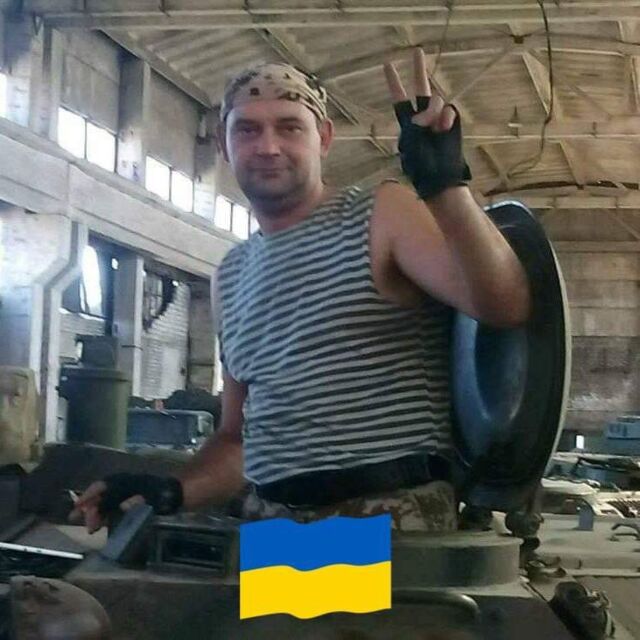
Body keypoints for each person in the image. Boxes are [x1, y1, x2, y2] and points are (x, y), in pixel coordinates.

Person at [71, 49, 530, 535]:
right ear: (223, 146)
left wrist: (445, 187)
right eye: (247, 130)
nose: (268, 146)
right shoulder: (232, 274)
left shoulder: (382, 214)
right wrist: (169, 490)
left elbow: (505, 305)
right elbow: (237, 440)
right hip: (275, 522)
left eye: (289, 127)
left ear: (324, 138)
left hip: (388, 520)